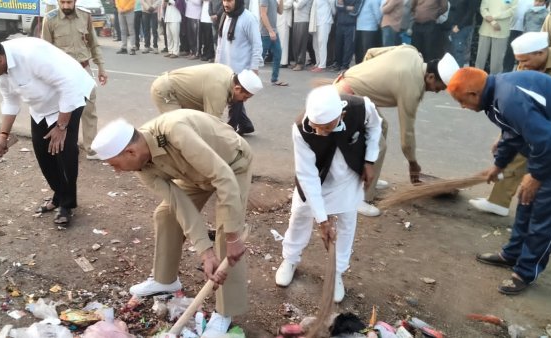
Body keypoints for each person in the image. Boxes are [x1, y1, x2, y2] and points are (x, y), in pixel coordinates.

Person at [91, 110, 253, 335]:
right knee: (166, 214)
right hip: (196, 176)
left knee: (227, 232)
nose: (117, 172)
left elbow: (222, 177)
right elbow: (180, 203)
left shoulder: (174, 131)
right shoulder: (143, 168)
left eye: (115, 165)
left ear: (130, 151)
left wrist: (234, 236)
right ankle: (165, 280)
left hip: (232, 166)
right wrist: (205, 252)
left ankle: (224, 312)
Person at [447, 67, 551, 295]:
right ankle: (513, 254)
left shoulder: (508, 98)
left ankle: (525, 272)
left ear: (473, 93)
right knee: (526, 203)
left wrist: (534, 176)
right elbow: (512, 133)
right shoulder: (495, 97)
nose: (462, 107)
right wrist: (498, 165)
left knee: (546, 216)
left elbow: (550, 142)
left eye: (462, 101)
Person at [0, 35, 95, 226]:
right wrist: (3, 136)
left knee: (64, 153)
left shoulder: (31, 55)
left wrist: (61, 126)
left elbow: (68, 86)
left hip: (69, 98)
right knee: (43, 152)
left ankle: (67, 204)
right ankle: (58, 195)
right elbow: (10, 101)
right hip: (41, 106)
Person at [275, 85, 381, 304]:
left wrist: (370, 160)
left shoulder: (362, 107)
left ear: (341, 115)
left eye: (326, 127)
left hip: (348, 175)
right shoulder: (300, 129)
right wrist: (322, 220)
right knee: (300, 214)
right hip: (318, 175)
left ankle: (337, 272)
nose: (321, 133)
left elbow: (375, 127)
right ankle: (290, 259)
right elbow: (307, 175)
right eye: (316, 127)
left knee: (347, 220)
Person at [332, 45, 459, 216]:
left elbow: (370, 52)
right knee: (378, 144)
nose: (436, 92)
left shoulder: (412, 52)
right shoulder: (412, 87)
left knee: (382, 126)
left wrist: (366, 80)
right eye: (439, 87)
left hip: (349, 85)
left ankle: (368, 179)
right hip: (347, 97)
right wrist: (413, 164)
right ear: (430, 76)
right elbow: (407, 134)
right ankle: (360, 198)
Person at [469, 32, 551, 216]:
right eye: (519, 61)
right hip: (534, 122)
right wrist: (502, 135)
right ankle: (498, 202)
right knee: (517, 151)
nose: (521, 65)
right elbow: (514, 109)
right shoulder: (524, 66)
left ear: (541, 53)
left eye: (524, 61)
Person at [42, 0, 109, 160]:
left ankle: (91, 148)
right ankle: (63, 145)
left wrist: (101, 67)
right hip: (61, 73)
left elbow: (93, 43)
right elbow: (44, 51)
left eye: (69, 2)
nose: (66, 6)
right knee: (64, 111)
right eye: (62, 2)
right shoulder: (50, 19)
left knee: (89, 109)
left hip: (83, 69)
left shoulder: (85, 16)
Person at [216, 0, 264, 135]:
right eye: (224, 0)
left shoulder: (249, 19)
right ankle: (245, 125)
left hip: (241, 69)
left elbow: (257, 45)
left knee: (235, 99)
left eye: (230, 0)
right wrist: (217, 65)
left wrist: (254, 69)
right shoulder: (225, 16)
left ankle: (229, 129)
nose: (226, 3)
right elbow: (220, 43)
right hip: (225, 67)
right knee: (236, 100)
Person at [150, 64, 263, 117]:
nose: (245, 101)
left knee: (191, 125)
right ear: (237, 89)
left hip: (177, 90)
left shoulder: (227, 71)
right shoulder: (218, 91)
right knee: (177, 127)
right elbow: (212, 125)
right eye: (245, 97)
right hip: (166, 91)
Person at [476, 0, 518, 74]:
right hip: (485, 30)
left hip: (501, 31)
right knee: (480, 59)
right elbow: (483, 9)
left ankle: (495, 80)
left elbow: (512, 10)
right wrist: (493, 22)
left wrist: (494, 17)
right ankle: (477, 78)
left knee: (497, 61)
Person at [261, 0, 289, 85]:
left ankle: (274, 79)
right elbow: (263, 14)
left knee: (278, 54)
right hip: (265, 33)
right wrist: (270, 30)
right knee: (259, 57)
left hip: (273, 32)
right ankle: (248, 78)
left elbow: (280, 11)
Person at [333, 0, 363, 71]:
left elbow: (355, 12)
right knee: (338, 46)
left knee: (348, 47)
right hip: (340, 24)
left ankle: (345, 66)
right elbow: (337, 7)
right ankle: (338, 64)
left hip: (351, 25)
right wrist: (349, 8)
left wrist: (343, 7)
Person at [447, 0, 475, 66]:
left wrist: (459, 26)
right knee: (453, 52)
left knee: (459, 53)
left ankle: (459, 74)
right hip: (452, 26)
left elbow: (471, 12)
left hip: (462, 27)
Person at [310, 0, 336, 72]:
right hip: (315, 22)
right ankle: (318, 63)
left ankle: (322, 65)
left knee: (322, 43)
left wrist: (330, 14)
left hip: (325, 22)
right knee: (315, 44)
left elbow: (333, 9)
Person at [291, 0, 313, 71]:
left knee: (301, 43)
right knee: (296, 43)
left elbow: (298, 6)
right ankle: (297, 62)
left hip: (303, 20)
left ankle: (300, 64)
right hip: (296, 20)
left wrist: (293, 1)